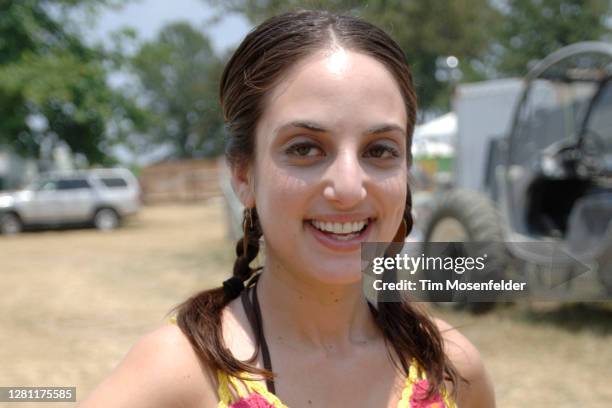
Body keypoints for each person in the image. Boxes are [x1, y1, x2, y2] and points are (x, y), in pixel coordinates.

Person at [79, 10, 495, 408]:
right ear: (243, 175)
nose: (349, 187)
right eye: (305, 148)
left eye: (379, 150)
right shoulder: (179, 374)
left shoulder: (451, 368)